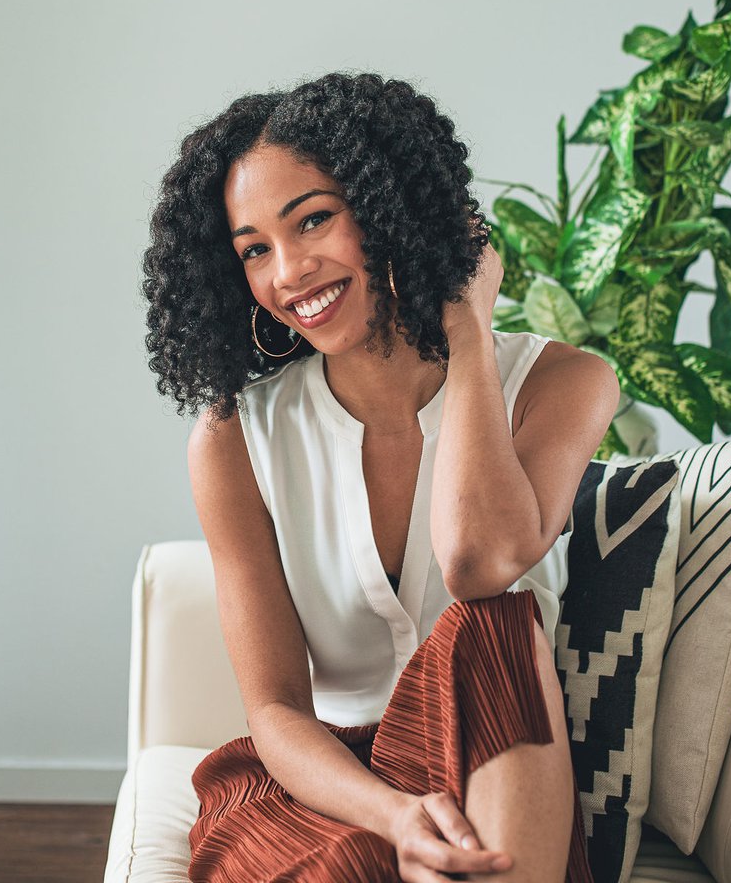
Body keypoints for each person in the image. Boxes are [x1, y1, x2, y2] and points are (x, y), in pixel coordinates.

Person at [142, 72, 619, 883]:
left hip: (494, 757)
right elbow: (277, 712)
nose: (288, 271)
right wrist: (395, 815)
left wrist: (468, 332)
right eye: (255, 249)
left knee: (491, 625)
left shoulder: (561, 383)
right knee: (359, 861)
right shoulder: (233, 440)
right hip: (323, 786)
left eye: (315, 220)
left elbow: (479, 561)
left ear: (389, 208)